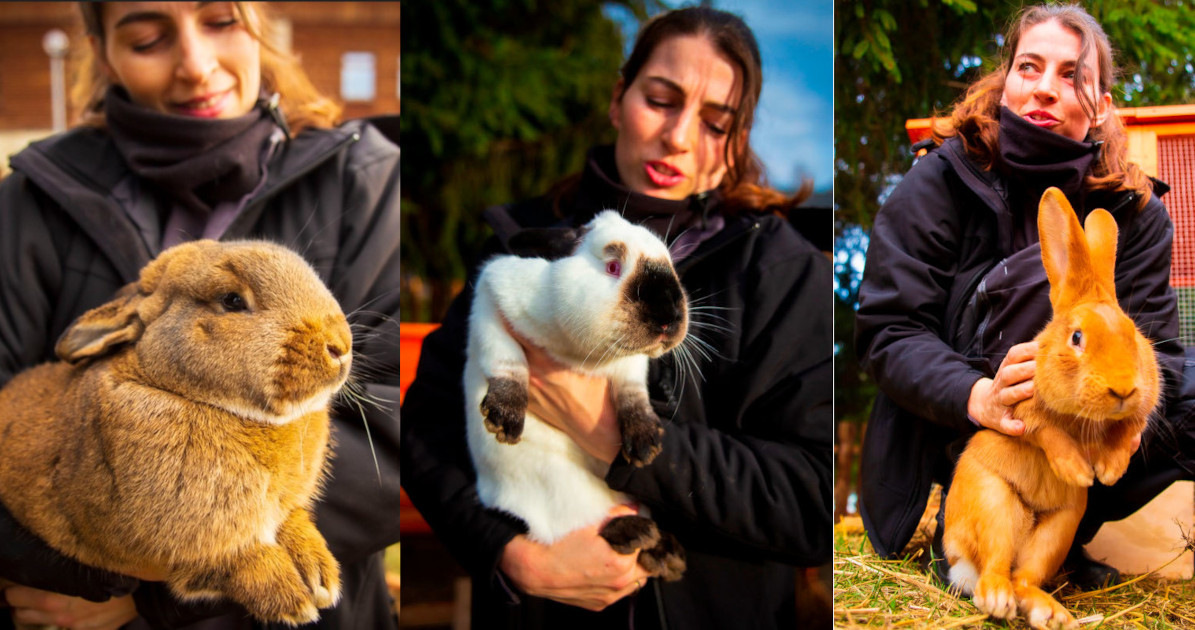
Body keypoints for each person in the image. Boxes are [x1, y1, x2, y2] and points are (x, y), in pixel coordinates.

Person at [400, 6, 832, 629]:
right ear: (617, 99)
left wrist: (616, 436)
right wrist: (509, 555)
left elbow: (813, 501)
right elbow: (426, 429)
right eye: (660, 100)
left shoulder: (781, 273)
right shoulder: (522, 245)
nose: (679, 137)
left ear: (737, 142)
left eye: (716, 123)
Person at [0, 3, 401, 629]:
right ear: (103, 52)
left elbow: (397, 424)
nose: (195, 65)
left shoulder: (365, 179)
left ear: (261, 22)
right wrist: (90, 575)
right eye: (149, 39)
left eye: (220, 21)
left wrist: (155, 584)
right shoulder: (32, 198)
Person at [856, 3, 1192, 588]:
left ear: (1102, 106)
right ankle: (970, 525)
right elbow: (889, 328)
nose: (1044, 89)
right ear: (1005, 80)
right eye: (1029, 67)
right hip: (963, 435)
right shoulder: (938, 180)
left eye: (1071, 76)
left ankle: (1061, 539)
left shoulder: (1137, 212)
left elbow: (1159, 344)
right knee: (1053, 286)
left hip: (1090, 436)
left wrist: (1134, 410)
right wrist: (977, 394)